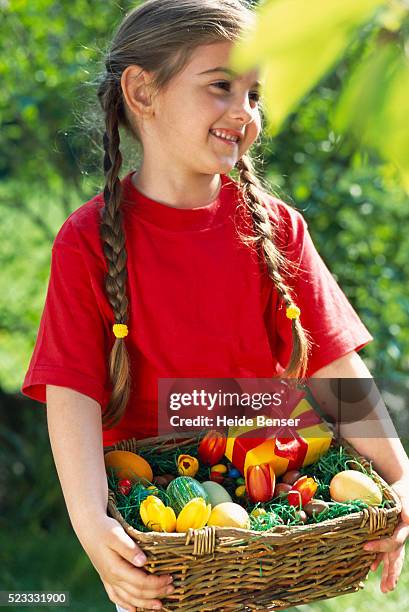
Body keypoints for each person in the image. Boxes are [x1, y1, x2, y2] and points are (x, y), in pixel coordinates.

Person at [20, 1, 409, 610]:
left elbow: (336, 370)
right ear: (142, 92)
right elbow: (72, 393)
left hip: (269, 524)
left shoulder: (277, 228)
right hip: (162, 546)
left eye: (255, 93)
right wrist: (94, 529)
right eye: (221, 86)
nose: (244, 112)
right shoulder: (89, 239)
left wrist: (399, 472)